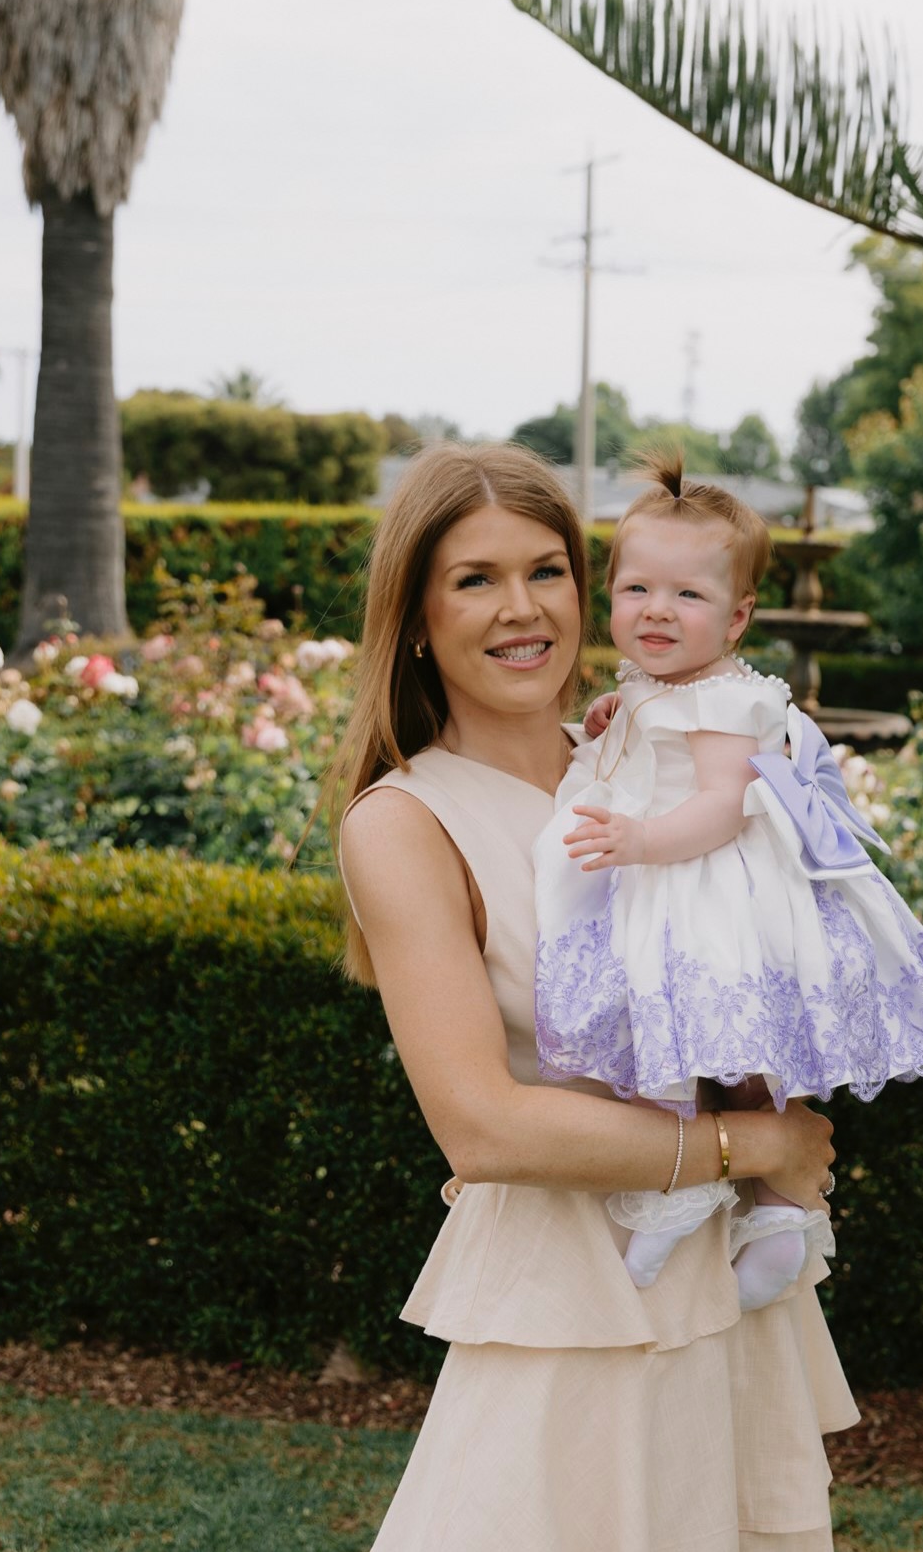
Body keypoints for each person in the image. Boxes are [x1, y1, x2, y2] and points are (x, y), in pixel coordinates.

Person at [330, 442, 859, 1552]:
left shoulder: (650, 773)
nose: (522, 610)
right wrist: (755, 1143)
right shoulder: (405, 822)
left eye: (548, 571)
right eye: (475, 579)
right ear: (418, 615)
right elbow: (481, 1125)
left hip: (726, 1292)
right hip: (571, 1309)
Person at [533, 455, 923, 1312]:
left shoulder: (730, 701)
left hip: (707, 886)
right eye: (636, 590)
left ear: (737, 618)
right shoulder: (658, 684)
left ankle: (731, 1199)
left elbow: (720, 805)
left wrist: (639, 837)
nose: (656, 610)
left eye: (688, 596)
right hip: (670, 877)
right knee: (689, 1038)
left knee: (718, 1039)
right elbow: (639, 745)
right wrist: (607, 719)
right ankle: (740, 1201)